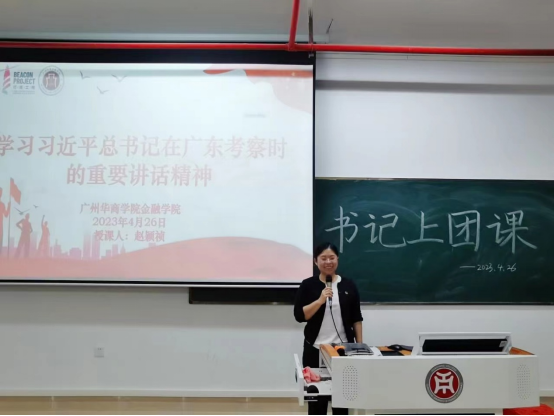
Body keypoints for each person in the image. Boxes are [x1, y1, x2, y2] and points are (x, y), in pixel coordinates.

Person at [294, 242, 364, 416]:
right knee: (317, 402)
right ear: (315, 261)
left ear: (337, 259)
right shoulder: (308, 285)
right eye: (323, 258)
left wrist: (359, 347)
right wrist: (320, 300)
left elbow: (356, 318)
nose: (328, 262)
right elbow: (299, 316)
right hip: (315, 349)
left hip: (342, 351)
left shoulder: (348, 285)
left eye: (331, 258)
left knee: (342, 401)